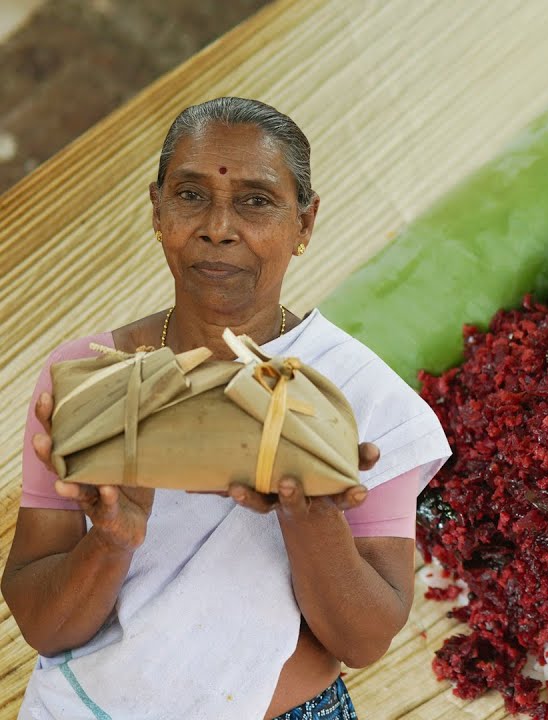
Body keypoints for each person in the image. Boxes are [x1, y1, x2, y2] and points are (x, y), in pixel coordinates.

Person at [1, 97, 451, 719]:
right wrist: (111, 537)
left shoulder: (362, 401)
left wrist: (311, 509)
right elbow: (44, 628)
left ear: (306, 222)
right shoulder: (92, 382)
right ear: (157, 210)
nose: (218, 225)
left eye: (256, 200)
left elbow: (363, 640)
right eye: (190, 195)